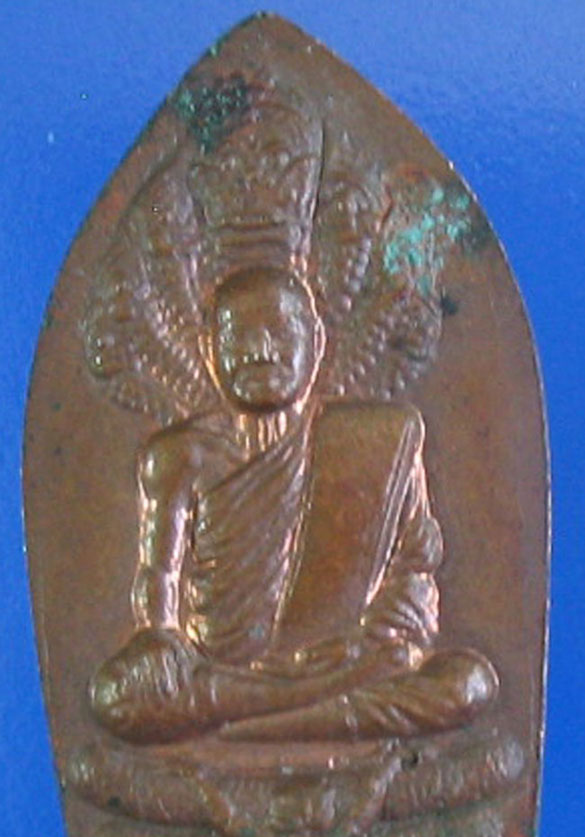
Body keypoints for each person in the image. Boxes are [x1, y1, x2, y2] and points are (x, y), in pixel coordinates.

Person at [84, 83, 498, 745]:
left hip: (348, 665)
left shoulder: (381, 441)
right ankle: (293, 716)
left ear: (317, 341)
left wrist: (384, 637)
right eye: (240, 337)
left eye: (280, 332)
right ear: (209, 349)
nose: (261, 351)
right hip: (220, 675)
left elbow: (414, 571)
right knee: (116, 697)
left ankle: (254, 726)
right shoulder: (179, 455)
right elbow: (157, 583)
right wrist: (160, 642)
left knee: (468, 682)